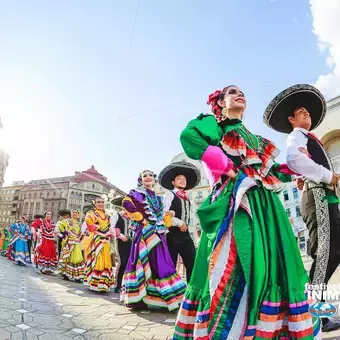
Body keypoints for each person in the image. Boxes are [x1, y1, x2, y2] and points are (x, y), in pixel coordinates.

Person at [173, 86, 321, 339]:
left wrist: (297, 168)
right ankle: (230, 329)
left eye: (242, 92)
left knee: (273, 262)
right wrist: (225, 166)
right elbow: (189, 136)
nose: (239, 94)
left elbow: (269, 172)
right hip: (235, 202)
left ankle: (266, 328)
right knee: (236, 261)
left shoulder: (251, 137)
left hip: (265, 207)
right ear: (220, 103)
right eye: (232, 92)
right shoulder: (215, 125)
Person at [264, 83, 340, 332]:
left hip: (326, 198)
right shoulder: (296, 136)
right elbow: (294, 159)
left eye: (307, 111)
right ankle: (314, 315)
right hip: (317, 198)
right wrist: (328, 176)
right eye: (300, 111)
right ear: (291, 119)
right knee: (325, 255)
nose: (306, 113)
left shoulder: (310, 138)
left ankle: (310, 310)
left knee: (333, 253)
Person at [121, 170, 186, 311]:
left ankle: (160, 297)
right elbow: (126, 203)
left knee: (160, 263)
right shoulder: (136, 192)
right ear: (140, 180)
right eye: (145, 176)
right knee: (145, 262)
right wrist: (142, 219)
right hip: (144, 232)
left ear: (154, 180)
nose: (148, 177)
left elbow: (161, 215)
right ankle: (139, 298)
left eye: (151, 175)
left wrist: (171, 215)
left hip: (158, 233)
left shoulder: (158, 198)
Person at [159, 161, 200, 283]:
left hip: (185, 235)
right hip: (172, 234)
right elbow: (164, 214)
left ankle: (191, 292)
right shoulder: (169, 194)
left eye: (184, 179)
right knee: (171, 264)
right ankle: (170, 292)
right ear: (173, 182)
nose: (182, 180)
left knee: (192, 261)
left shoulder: (187, 198)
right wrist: (179, 222)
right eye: (179, 179)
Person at [83, 197, 115, 292]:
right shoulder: (91, 213)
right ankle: (95, 284)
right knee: (97, 260)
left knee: (106, 261)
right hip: (96, 239)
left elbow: (109, 227)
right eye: (98, 202)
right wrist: (95, 227)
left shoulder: (106, 215)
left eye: (102, 202)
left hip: (105, 240)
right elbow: (88, 222)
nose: (100, 204)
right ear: (95, 203)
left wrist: (114, 233)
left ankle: (103, 285)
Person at [110, 196, 133, 294]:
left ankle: (128, 285)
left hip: (132, 242)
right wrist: (121, 236)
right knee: (122, 262)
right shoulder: (117, 215)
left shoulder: (134, 216)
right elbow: (111, 227)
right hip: (121, 241)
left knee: (131, 263)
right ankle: (118, 285)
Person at [58, 209, 85, 282]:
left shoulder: (80, 224)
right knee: (68, 257)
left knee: (77, 258)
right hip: (69, 242)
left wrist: (81, 236)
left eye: (76, 212)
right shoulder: (67, 221)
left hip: (77, 242)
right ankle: (66, 274)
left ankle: (77, 276)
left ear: (78, 214)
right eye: (73, 212)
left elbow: (81, 232)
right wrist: (64, 233)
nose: (74, 213)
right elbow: (60, 225)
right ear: (71, 214)